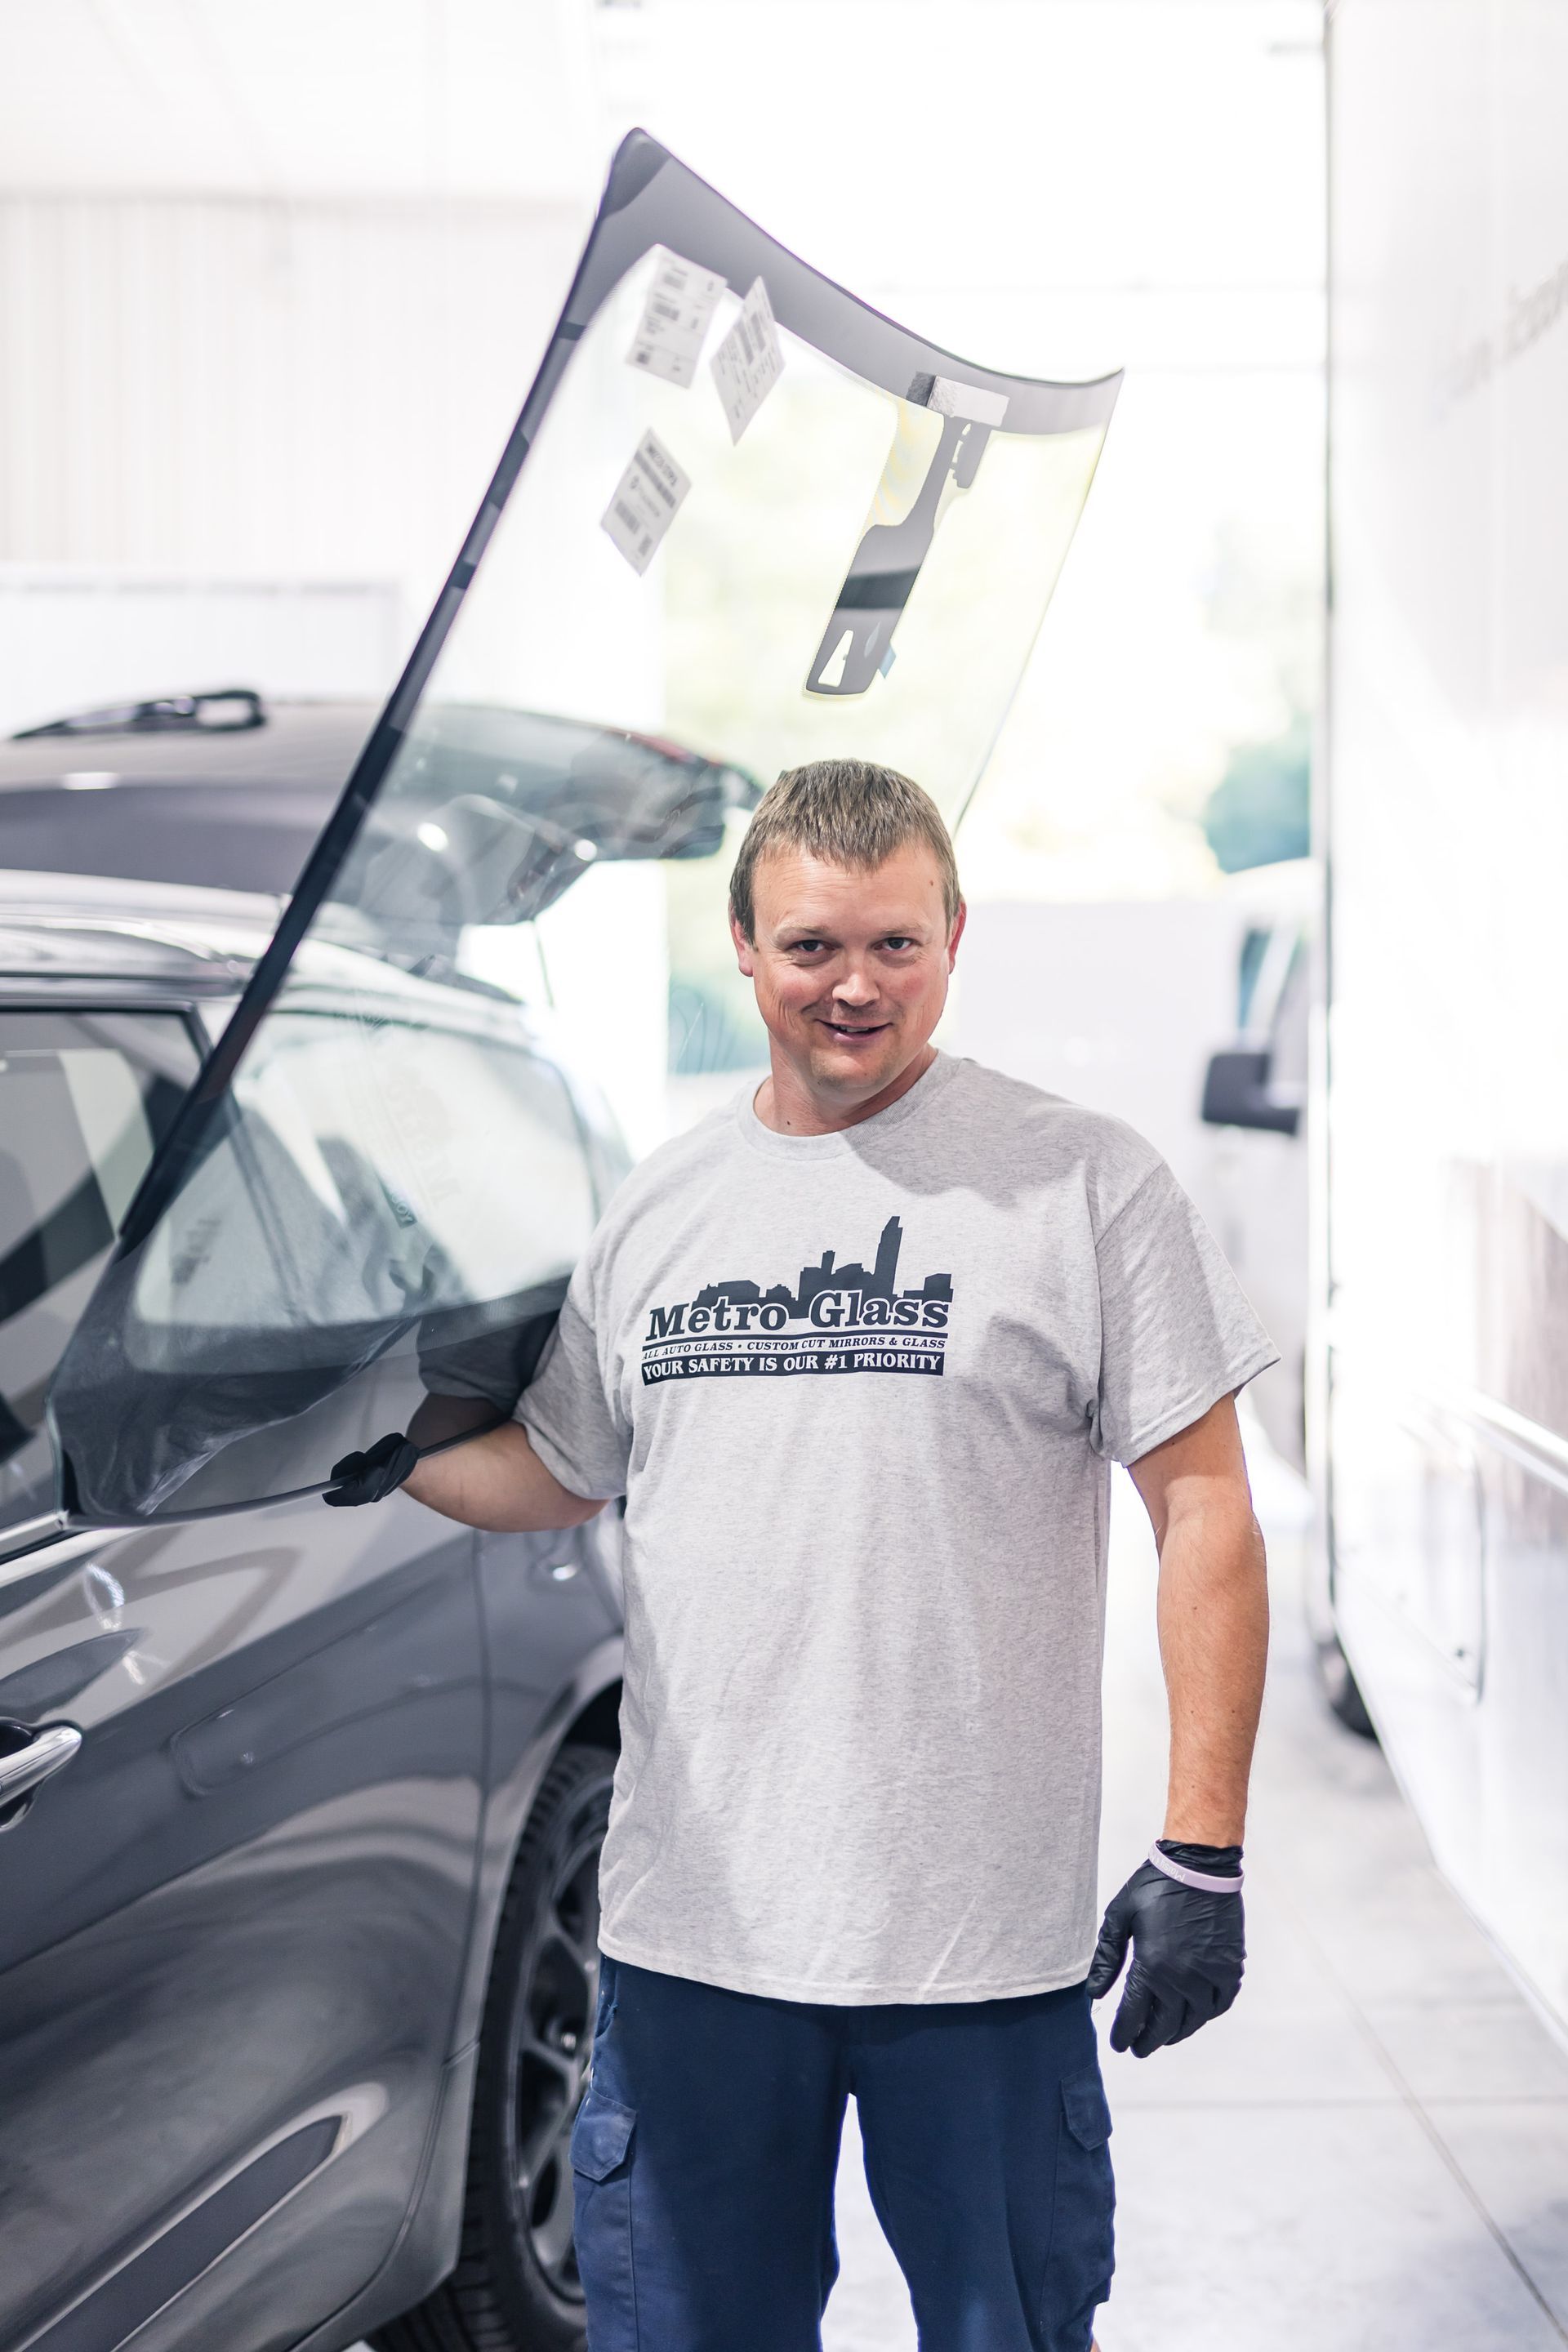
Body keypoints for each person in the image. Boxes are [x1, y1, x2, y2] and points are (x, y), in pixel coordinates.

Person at [332, 758, 1275, 2351]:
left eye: (894, 946)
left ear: (956, 938)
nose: (854, 989)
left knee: (1009, 2333)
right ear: (744, 944)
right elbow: (566, 1469)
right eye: (814, 947)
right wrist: (382, 1451)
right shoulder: (663, 1207)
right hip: (697, 1937)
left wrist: (1204, 1850)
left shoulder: (1082, 1183)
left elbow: (1205, 1510)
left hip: (977, 1946)